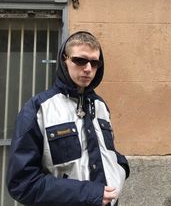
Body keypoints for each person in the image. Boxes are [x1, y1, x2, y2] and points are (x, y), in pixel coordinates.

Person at [6, 31, 130, 206]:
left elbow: (109, 153)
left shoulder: (100, 106)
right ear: (64, 60)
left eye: (95, 63)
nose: (88, 68)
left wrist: (121, 170)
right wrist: (88, 193)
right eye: (80, 61)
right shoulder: (39, 108)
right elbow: (22, 183)